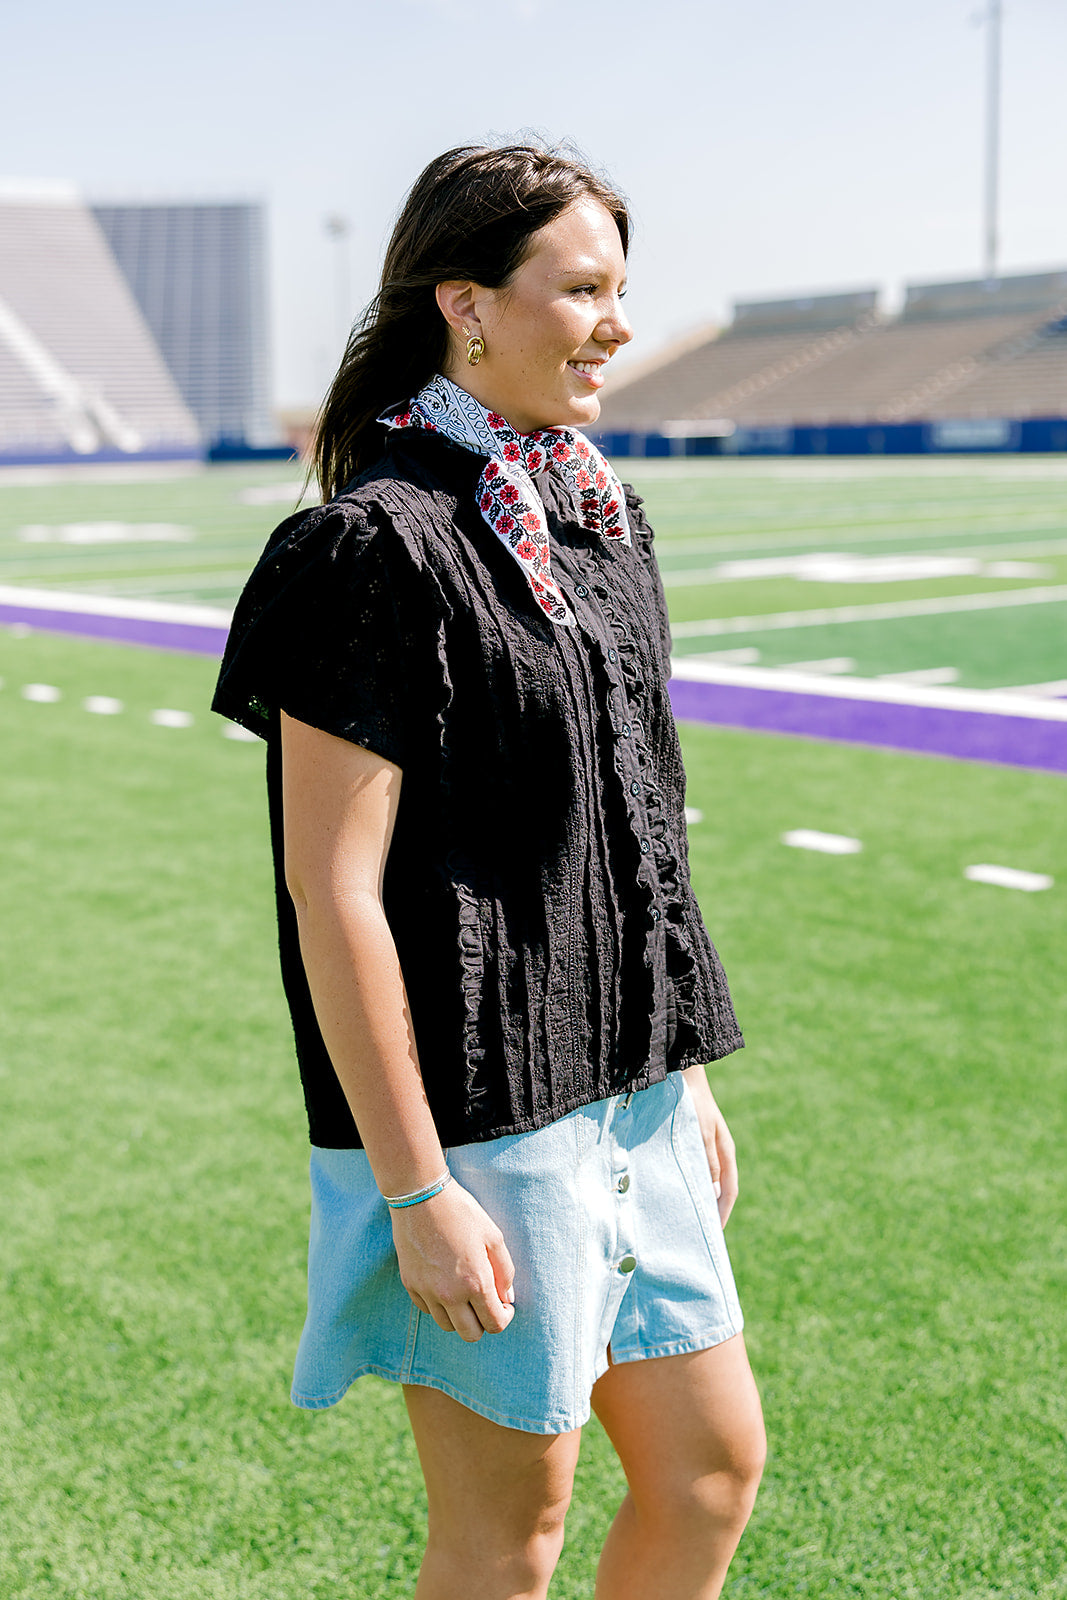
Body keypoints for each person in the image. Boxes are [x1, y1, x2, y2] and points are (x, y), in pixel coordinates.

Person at [213, 141, 765, 1600]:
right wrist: (415, 1193)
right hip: (481, 1123)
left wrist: (680, 1068)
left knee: (711, 1472)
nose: (617, 325)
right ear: (466, 303)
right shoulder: (366, 552)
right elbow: (332, 892)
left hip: (632, 1091)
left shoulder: (596, 513)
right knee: (506, 1542)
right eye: (581, 288)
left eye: (622, 290)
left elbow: (642, 813)